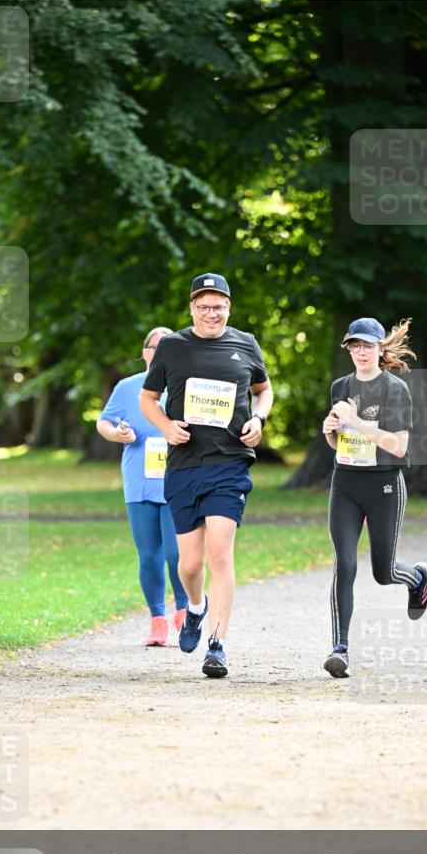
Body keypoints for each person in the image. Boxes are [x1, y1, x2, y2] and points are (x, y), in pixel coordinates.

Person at [139, 272, 273, 678]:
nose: (211, 313)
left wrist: (260, 419)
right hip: (183, 465)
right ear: (192, 308)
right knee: (191, 563)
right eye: (203, 306)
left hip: (230, 462)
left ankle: (217, 644)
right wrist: (165, 426)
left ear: (229, 307)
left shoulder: (245, 343)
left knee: (220, 554)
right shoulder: (173, 346)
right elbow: (147, 399)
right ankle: (195, 607)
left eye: (218, 306)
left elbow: (263, 390)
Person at [321, 316, 427, 678]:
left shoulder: (394, 388)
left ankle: (416, 578)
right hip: (346, 484)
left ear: (380, 348)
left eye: (369, 345)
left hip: (384, 484)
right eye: (356, 345)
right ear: (349, 349)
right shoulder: (340, 386)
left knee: (383, 573)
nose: (362, 351)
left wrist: (355, 421)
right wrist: (331, 432)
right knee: (345, 565)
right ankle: (340, 649)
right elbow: (340, 440)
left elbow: (398, 446)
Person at [97, 327, 188, 646]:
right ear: (146, 352)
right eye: (156, 346)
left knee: (177, 554)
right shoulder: (127, 387)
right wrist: (115, 434)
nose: (162, 351)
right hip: (139, 482)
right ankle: (158, 619)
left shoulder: (186, 386)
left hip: (178, 480)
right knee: (149, 555)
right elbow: (103, 421)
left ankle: (185, 609)